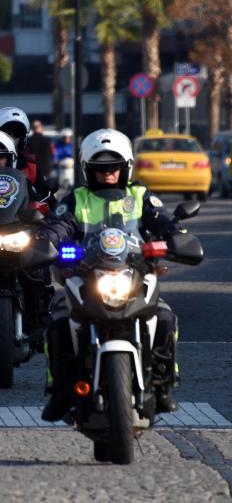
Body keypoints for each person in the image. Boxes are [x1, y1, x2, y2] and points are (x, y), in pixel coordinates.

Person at [38, 128, 185, 421]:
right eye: (100, 168)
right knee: (56, 319)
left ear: (126, 167)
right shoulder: (76, 199)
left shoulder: (140, 195)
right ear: (87, 169)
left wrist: (176, 236)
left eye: (114, 167)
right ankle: (58, 389)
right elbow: (58, 225)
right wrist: (46, 242)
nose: (108, 174)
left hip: (133, 271)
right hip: (87, 273)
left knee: (166, 317)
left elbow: (162, 221)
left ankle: (163, 385)